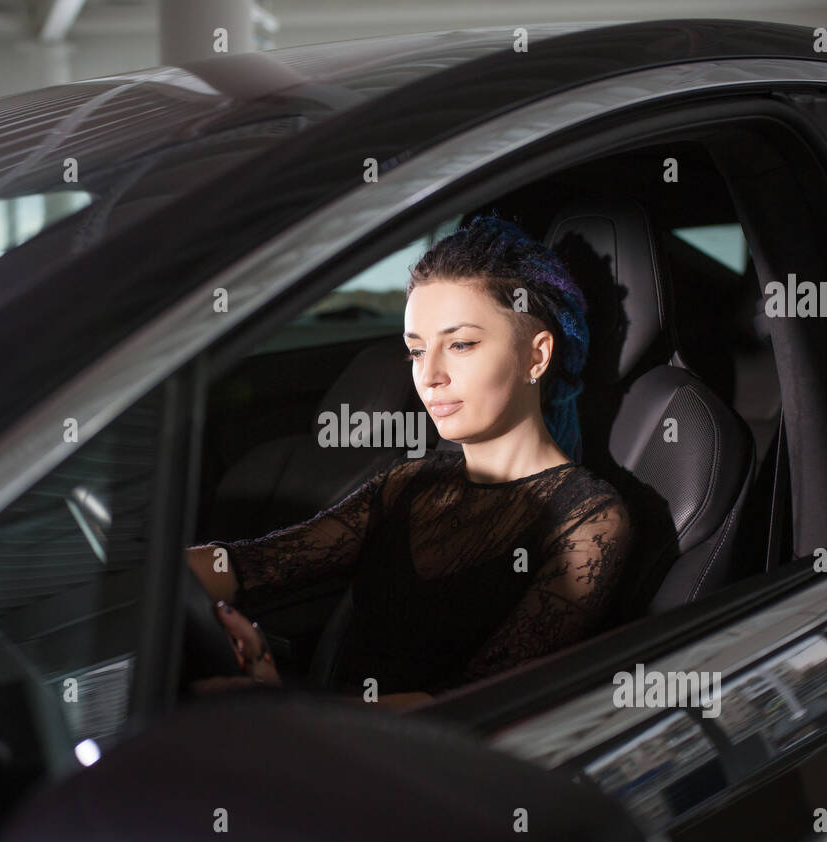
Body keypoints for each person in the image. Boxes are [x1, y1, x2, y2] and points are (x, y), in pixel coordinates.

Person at [185, 214, 633, 711]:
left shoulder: (589, 521)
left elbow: (473, 704)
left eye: (460, 345)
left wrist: (281, 707)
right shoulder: (410, 482)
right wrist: (150, 581)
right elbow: (255, 563)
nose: (429, 375)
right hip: (329, 742)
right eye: (416, 351)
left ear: (537, 355)